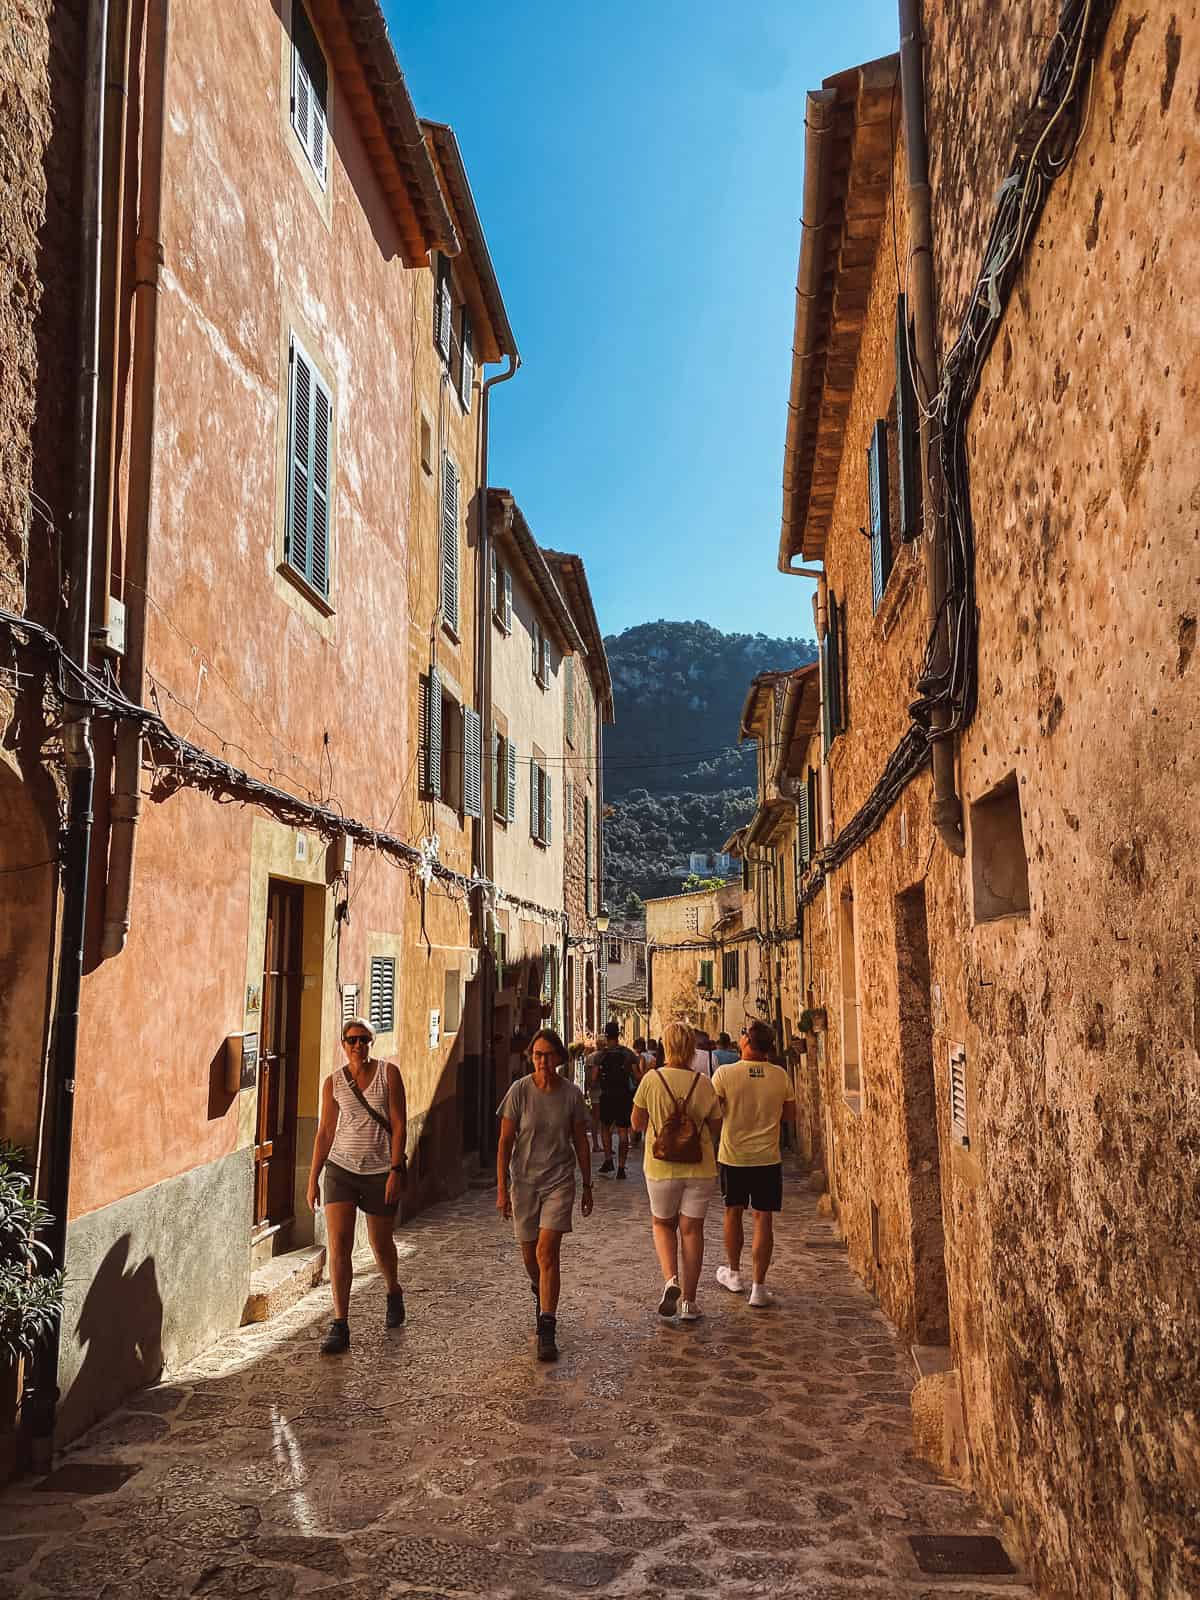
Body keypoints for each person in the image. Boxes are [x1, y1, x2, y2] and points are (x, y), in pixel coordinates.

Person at [307, 1016, 407, 1355]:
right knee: (339, 1246)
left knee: (381, 1244)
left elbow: (399, 1124)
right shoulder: (333, 1083)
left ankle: (393, 1289)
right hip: (341, 1170)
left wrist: (396, 1169)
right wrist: (313, 1177)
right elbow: (325, 1132)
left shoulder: (389, 1074)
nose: (358, 1045)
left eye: (364, 1039)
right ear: (343, 1044)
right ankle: (340, 1323)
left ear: (371, 1043)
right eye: (352, 1039)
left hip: (380, 1171)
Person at [496, 1028, 593, 1361]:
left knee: (546, 1251)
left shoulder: (571, 1095)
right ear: (531, 1058)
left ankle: (547, 1328)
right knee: (530, 1256)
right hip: (524, 1183)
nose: (543, 1061)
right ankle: (541, 1290)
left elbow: (581, 1142)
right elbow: (505, 1143)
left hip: (559, 1182)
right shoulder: (519, 1091)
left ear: (559, 1058)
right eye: (537, 1055)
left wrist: (588, 1185)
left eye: (548, 1055)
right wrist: (501, 1188)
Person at [631, 1021, 722, 1324]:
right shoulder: (703, 1082)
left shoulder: (651, 1079)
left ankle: (671, 1279)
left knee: (662, 1224)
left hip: (661, 1167)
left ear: (666, 1047)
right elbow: (716, 1125)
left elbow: (636, 1123)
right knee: (692, 1231)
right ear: (691, 1048)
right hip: (699, 1166)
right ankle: (689, 1303)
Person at [712, 1019, 797, 1308]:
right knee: (764, 1219)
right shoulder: (780, 1076)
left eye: (743, 1033)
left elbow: (714, 1113)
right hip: (767, 1158)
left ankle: (734, 1274)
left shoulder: (725, 1074)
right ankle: (759, 1288)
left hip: (733, 1156)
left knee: (733, 1212)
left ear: (748, 1041)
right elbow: (790, 1116)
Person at [587, 1023, 639, 1178]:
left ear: (606, 1035)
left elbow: (594, 1078)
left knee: (605, 1127)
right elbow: (637, 1076)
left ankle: (608, 1159)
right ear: (618, 1035)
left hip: (607, 1095)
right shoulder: (628, 1054)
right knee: (623, 1131)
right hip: (624, 1096)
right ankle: (621, 1167)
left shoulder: (600, 1055)